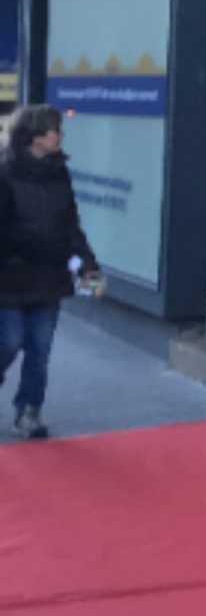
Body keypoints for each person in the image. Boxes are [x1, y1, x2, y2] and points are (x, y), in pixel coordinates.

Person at [0, 106, 101, 439]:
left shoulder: (59, 173)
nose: (59, 134)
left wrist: (87, 265)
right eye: (53, 130)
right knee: (10, 342)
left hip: (49, 276)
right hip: (10, 278)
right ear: (34, 137)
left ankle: (29, 412)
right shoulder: (5, 172)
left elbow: (71, 226)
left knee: (40, 349)